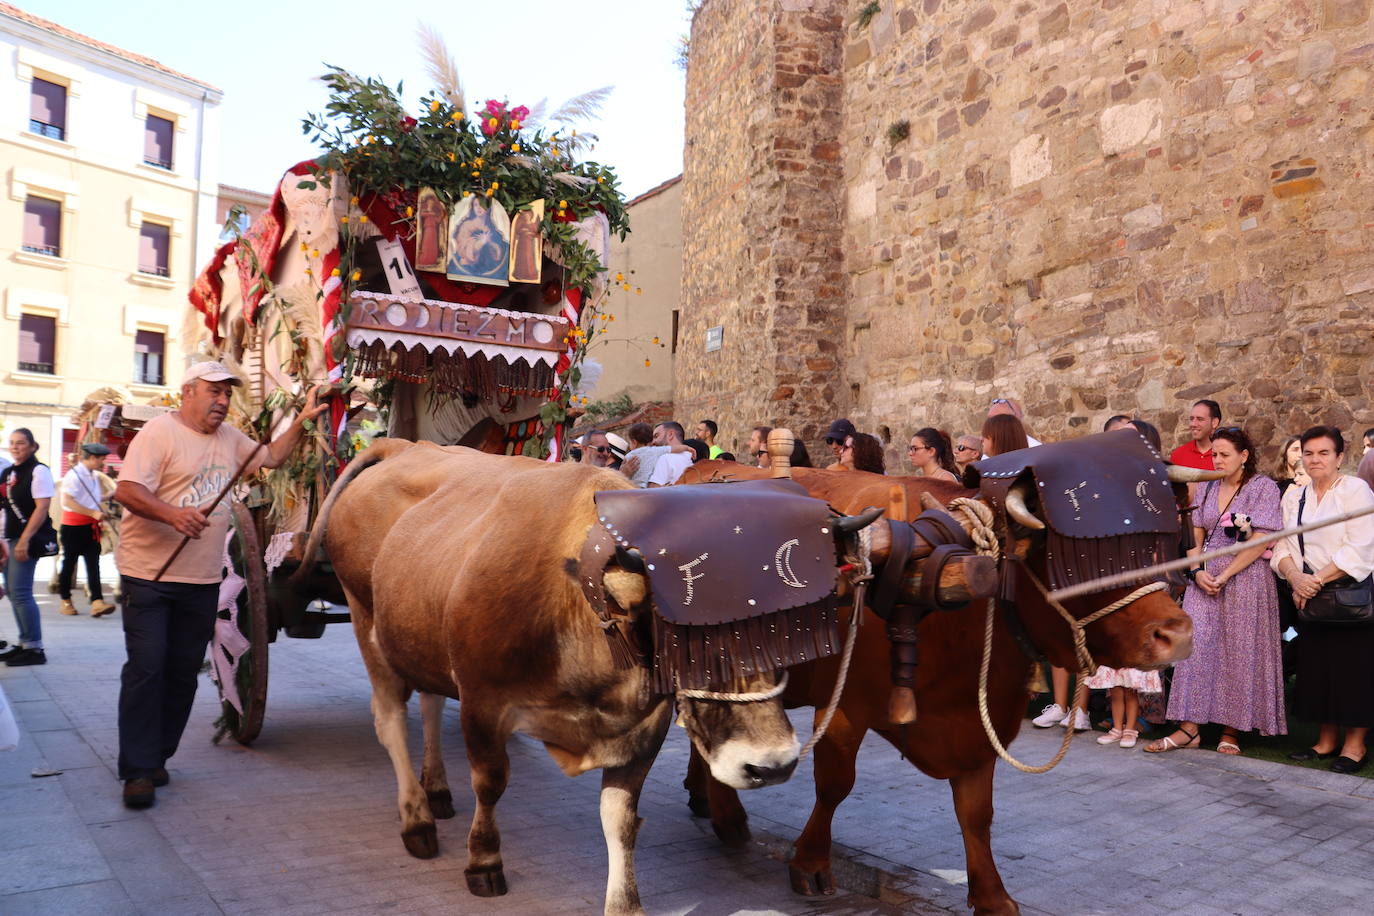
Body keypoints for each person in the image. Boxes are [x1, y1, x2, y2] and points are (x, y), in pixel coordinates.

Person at [113, 361, 328, 808]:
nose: (222, 401)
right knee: (147, 669)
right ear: (187, 391)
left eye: (228, 394)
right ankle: (136, 769)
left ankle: (157, 758)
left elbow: (271, 458)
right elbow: (127, 491)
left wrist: (304, 420)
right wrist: (172, 514)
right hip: (149, 576)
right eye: (214, 392)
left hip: (202, 580)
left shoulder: (230, 439)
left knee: (180, 675)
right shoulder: (158, 433)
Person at [1146, 427, 1286, 755]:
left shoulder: (1263, 487)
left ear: (1244, 456)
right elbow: (1194, 530)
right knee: (1197, 650)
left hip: (1247, 580)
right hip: (1205, 580)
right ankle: (1189, 729)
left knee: (1239, 652)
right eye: (1215, 455)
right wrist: (1197, 571)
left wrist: (1227, 574)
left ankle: (1231, 731)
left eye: (1225, 454)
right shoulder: (1208, 486)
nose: (1218, 460)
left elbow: (1262, 538)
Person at [1272, 426, 1374, 773]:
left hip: (1351, 597)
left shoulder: (1355, 491)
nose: (1314, 459)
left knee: (1354, 672)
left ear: (1340, 458)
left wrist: (1314, 580)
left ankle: (1355, 746)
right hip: (1310, 599)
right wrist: (1296, 579)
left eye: (1324, 453)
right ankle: (1326, 741)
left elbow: (1360, 546)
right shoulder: (1293, 496)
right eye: (1309, 453)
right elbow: (1283, 546)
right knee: (1319, 671)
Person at [0, 428, 55, 666]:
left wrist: (24, 540)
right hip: (8, 538)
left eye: (21, 443)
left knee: (21, 592)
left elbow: (41, 508)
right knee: (12, 592)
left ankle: (34, 648)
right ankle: (25, 643)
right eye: (12, 443)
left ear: (33, 446)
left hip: (26, 539)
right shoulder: (9, 472)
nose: (15, 447)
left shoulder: (39, 471)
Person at [59, 443, 117, 618]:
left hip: (90, 526)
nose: (103, 462)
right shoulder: (73, 475)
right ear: (92, 458)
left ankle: (97, 601)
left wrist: (109, 497)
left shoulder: (93, 476)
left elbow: (91, 498)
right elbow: (67, 501)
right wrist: (93, 512)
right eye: (101, 459)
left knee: (93, 564)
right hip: (73, 527)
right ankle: (65, 600)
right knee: (69, 564)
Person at [1169, 399, 1221, 471]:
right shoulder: (1178, 455)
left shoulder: (1223, 456)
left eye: (1200, 419)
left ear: (1214, 422)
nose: (1193, 424)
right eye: (1191, 419)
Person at [648, 422, 693, 487]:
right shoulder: (690, 457)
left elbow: (653, 491)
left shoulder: (666, 458)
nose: (653, 442)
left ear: (670, 434)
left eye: (656, 436)